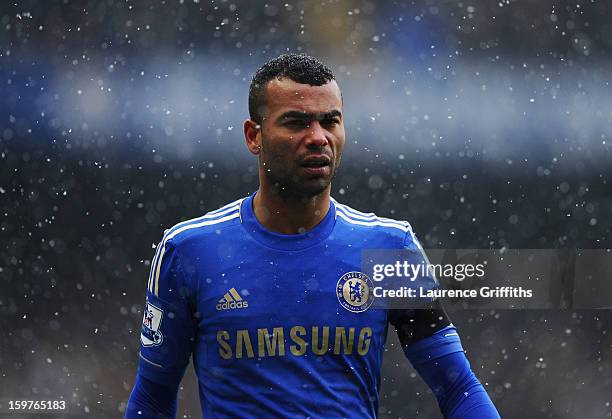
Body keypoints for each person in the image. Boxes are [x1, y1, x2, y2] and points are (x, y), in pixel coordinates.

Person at [126, 53, 500, 418]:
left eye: (330, 121)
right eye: (296, 122)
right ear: (253, 136)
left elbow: (457, 387)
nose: (318, 137)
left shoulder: (389, 248)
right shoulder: (189, 250)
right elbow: (153, 397)